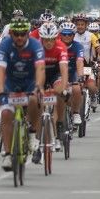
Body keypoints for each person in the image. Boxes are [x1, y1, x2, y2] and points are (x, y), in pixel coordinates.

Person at [0, 16, 46, 171]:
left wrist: (38, 86)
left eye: (23, 34)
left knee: (34, 100)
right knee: (6, 114)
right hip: (10, 83)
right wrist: (0, 88)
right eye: (16, 34)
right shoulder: (5, 45)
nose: (20, 37)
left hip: (30, 82)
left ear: (28, 34)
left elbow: (40, 69)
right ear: (11, 34)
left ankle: (32, 134)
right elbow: (0, 69)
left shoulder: (35, 45)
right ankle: (8, 154)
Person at [37, 21, 70, 153]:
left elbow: (64, 69)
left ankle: (60, 123)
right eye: (46, 40)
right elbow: (36, 70)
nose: (49, 43)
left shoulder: (61, 47)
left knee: (60, 93)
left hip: (56, 73)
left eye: (51, 39)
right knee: (36, 97)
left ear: (56, 38)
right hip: (41, 72)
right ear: (41, 38)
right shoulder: (37, 47)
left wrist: (64, 87)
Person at [59, 20, 86, 128]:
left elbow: (79, 62)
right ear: (60, 35)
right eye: (64, 34)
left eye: (69, 34)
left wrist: (80, 76)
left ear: (73, 35)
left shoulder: (78, 46)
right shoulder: (56, 45)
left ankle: (75, 113)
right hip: (59, 72)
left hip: (73, 71)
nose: (66, 36)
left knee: (76, 89)